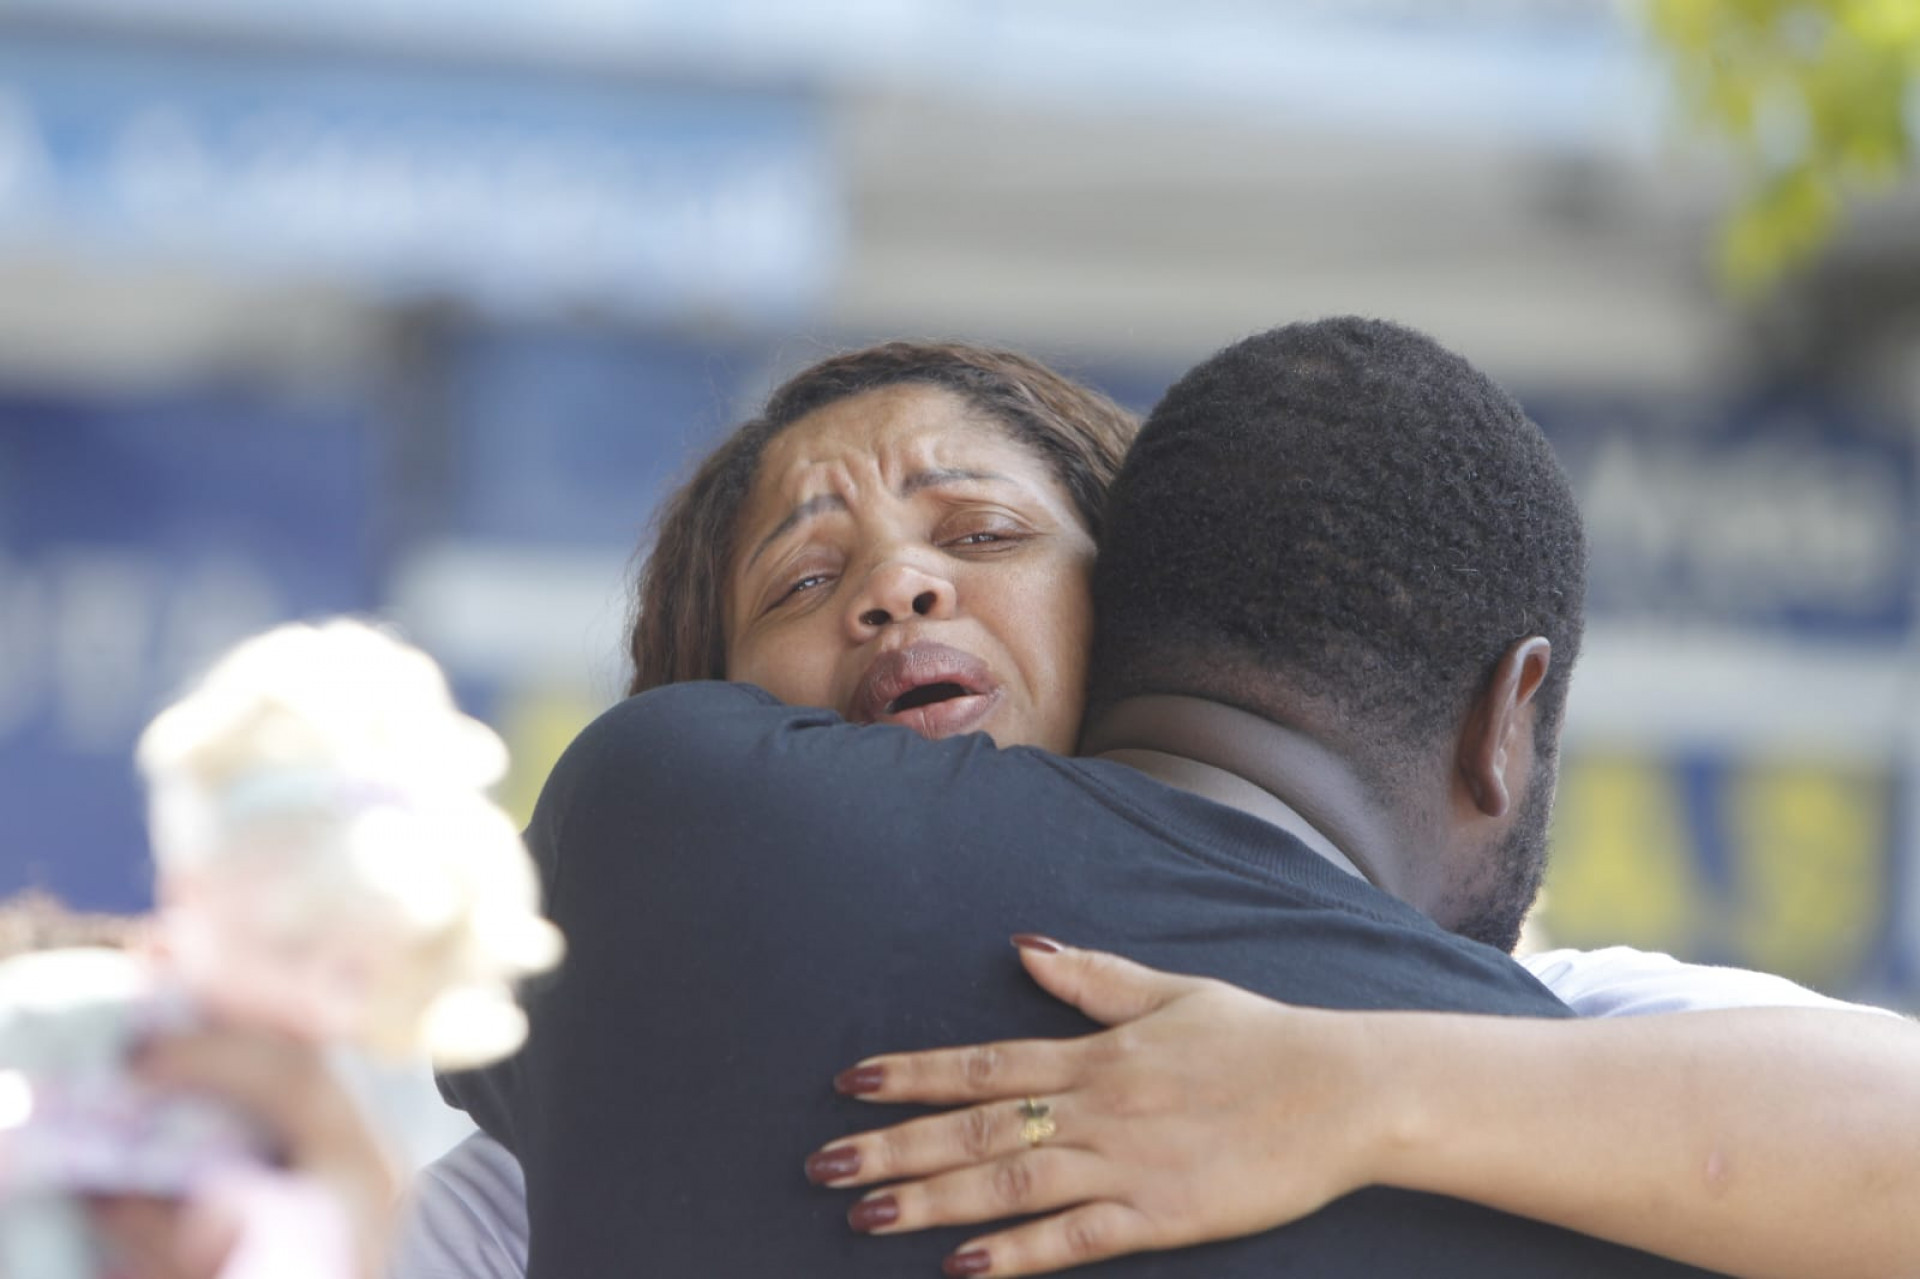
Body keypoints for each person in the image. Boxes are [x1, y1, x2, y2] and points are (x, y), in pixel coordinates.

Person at [404, 333, 1918, 1278]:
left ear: (1148, 607)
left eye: (983, 529)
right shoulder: (593, 1115)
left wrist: (1346, 1090)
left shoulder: (1501, 1017)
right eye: (805, 582)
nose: (899, 587)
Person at [0, 620, 561, 1279]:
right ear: (187, 891)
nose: (314, 996)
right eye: (288, 947)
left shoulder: (364, 1114)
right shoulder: (67, 1018)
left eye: (358, 973)